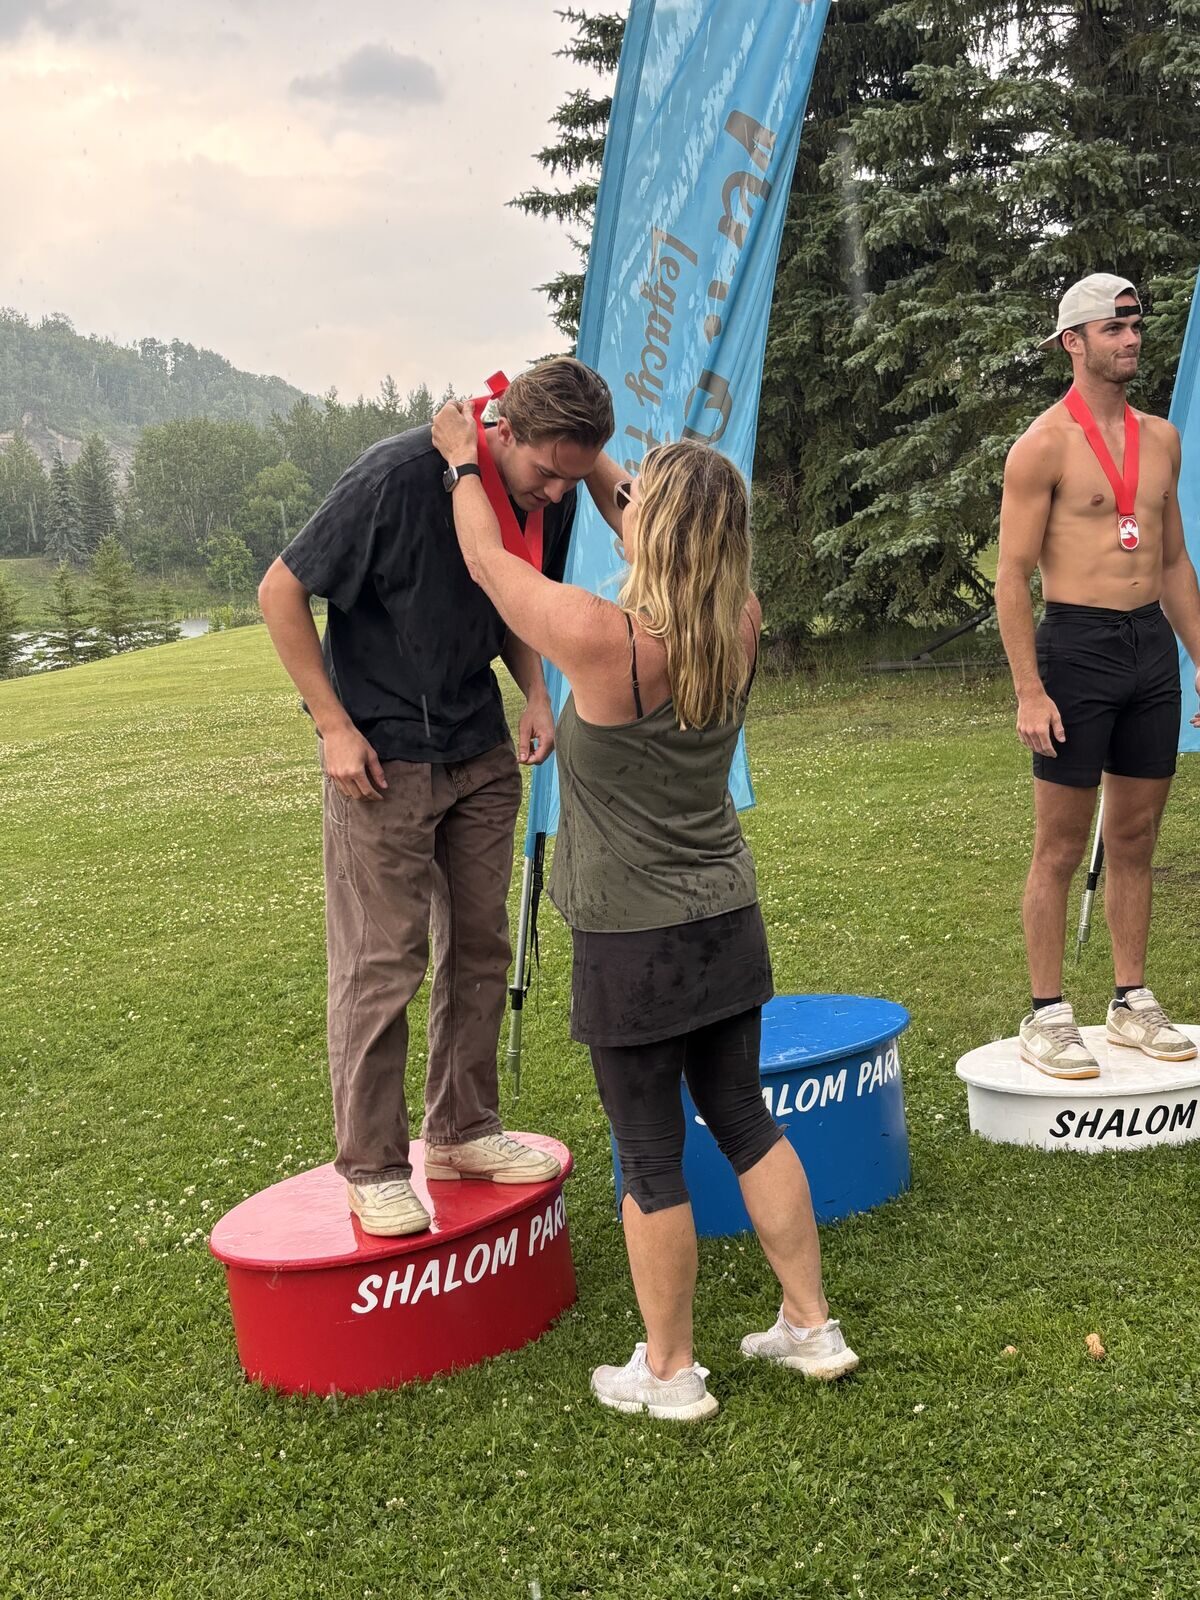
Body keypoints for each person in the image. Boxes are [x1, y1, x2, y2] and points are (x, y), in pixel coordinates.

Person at [431, 399, 858, 1421]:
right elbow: (650, 519)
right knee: (746, 1119)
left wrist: (460, 464)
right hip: (727, 920)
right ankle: (811, 1325)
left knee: (652, 1154)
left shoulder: (606, 641)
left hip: (635, 943)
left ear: (657, 531)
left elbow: (487, 563)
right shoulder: (737, 619)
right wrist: (591, 461)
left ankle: (669, 1372)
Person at [258, 359, 614, 1235]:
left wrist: (536, 694)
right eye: (547, 472)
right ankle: (374, 1167)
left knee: (482, 947)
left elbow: (514, 594)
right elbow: (280, 590)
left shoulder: (554, 489)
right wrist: (332, 725)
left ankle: (463, 1131)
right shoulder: (395, 475)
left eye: (572, 479)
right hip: (382, 757)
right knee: (383, 962)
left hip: (479, 748)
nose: (557, 492)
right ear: (503, 432)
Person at [996, 273, 1200, 1079]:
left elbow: (1173, 560)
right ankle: (1047, 1012)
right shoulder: (1042, 445)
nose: (1132, 339)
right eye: (1114, 329)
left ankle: (1129, 999)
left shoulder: (1162, 438)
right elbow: (1013, 576)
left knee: (1135, 837)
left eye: (1136, 325)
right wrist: (1029, 689)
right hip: (1075, 648)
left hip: (1149, 646)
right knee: (1059, 844)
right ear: (1072, 342)